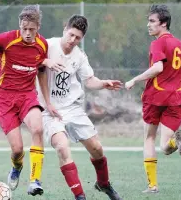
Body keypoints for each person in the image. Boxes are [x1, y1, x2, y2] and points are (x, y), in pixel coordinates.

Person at [0, 5, 64, 196]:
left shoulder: (42, 45)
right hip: (4, 98)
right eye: (24, 28)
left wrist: (47, 102)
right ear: (19, 25)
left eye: (32, 29)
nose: (28, 33)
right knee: (17, 149)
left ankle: (35, 180)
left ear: (38, 27)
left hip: (27, 96)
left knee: (38, 128)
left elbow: (41, 71)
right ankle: (16, 167)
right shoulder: (6, 39)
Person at [37, 15, 123, 200]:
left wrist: (103, 83)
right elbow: (36, 66)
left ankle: (103, 184)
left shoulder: (79, 56)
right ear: (64, 28)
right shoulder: (47, 46)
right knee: (62, 147)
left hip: (72, 108)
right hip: (49, 111)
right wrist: (48, 103)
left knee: (97, 149)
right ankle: (80, 196)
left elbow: (89, 80)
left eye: (77, 38)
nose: (72, 40)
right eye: (71, 35)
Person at [125, 5, 181, 193]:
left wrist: (134, 80)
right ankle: (175, 142)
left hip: (155, 98)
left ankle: (152, 186)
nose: (148, 25)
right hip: (176, 100)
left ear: (163, 23)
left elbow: (158, 68)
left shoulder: (157, 43)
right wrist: (174, 83)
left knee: (149, 139)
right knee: (164, 147)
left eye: (152, 21)